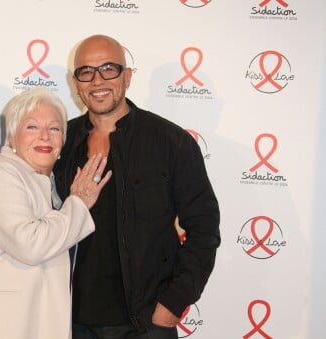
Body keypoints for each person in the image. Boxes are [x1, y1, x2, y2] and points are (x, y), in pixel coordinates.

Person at [53, 35, 221, 339]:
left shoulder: (171, 142)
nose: (97, 80)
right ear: (75, 82)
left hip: (145, 323)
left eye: (109, 69)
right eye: (86, 72)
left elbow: (204, 228)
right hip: (70, 319)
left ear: (127, 77)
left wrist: (174, 302)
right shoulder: (60, 140)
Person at [0, 87, 112, 339]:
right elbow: (30, 245)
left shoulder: (50, 182)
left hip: (31, 317)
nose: (44, 136)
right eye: (32, 127)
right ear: (12, 136)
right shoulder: (2, 173)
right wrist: (78, 203)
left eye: (54, 128)